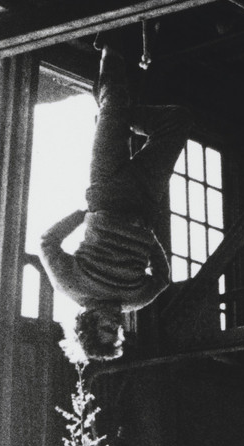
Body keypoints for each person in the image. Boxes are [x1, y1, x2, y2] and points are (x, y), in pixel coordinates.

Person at [39, 42, 193, 361]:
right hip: (145, 201)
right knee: (177, 121)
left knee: (113, 106)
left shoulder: (70, 285)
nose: (115, 325)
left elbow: (47, 243)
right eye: (117, 332)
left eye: (105, 330)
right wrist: (148, 239)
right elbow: (162, 279)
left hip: (105, 192)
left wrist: (82, 215)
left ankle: (111, 43)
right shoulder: (135, 299)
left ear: (88, 325)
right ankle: (116, 114)